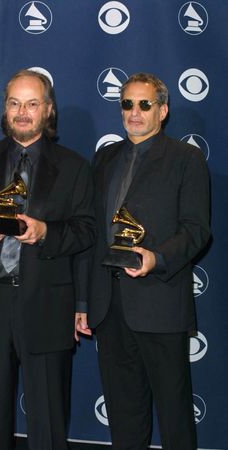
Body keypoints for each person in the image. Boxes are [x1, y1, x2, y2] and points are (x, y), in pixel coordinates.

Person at [0, 69, 95, 450]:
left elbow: (87, 230)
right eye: (14, 103)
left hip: (46, 303)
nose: (22, 112)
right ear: (5, 109)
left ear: (48, 110)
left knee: (47, 422)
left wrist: (45, 232)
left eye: (31, 103)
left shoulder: (75, 167)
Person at [87, 73, 210, 449]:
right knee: (124, 416)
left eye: (144, 104)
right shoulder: (105, 158)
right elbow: (92, 234)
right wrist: (83, 301)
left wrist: (156, 258)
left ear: (163, 110)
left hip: (160, 304)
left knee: (174, 415)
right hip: (109, 306)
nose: (134, 112)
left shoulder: (186, 159)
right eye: (127, 103)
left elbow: (196, 230)